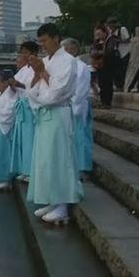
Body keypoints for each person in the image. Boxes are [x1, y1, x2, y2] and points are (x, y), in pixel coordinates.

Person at [27, 23, 84, 224]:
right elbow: (32, 92)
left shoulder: (68, 61)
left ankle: (62, 205)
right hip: (45, 115)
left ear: (56, 38)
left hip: (59, 114)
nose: (42, 45)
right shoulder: (46, 61)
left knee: (60, 158)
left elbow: (58, 93)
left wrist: (43, 72)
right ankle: (52, 198)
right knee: (45, 159)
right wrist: (36, 73)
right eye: (40, 42)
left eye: (45, 41)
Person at [61, 38, 94, 176]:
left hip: (78, 106)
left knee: (81, 136)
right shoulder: (67, 66)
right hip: (67, 106)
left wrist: (73, 106)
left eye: (65, 50)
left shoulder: (81, 67)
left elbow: (81, 91)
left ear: (73, 50)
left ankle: (83, 167)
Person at [9, 41, 38, 183]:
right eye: (22, 52)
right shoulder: (23, 70)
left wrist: (20, 85)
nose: (23, 55)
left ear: (32, 53)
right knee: (21, 140)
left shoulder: (36, 67)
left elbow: (34, 86)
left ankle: (31, 171)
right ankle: (23, 169)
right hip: (21, 107)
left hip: (30, 106)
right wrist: (13, 85)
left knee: (30, 140)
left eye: (25, 52)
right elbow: (17, 87)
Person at [91, 25, 118, 109]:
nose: (98, 36)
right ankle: (103, 102)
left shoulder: (110, 40)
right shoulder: (97, 42)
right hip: (99, 65)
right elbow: (92, 51)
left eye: (99, 34)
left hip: (109, 64)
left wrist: (99, 52)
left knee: (108, 84)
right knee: (101, 84)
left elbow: (109, 52)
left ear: (104, 32)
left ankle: (107, 102)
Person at [106, 17, 131, 91]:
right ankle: (117, 85)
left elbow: (127, 39)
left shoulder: (122, 29)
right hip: (115, 53)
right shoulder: (110, 32)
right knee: (115, 70)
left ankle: (121, 85)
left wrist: (118, 40)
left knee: (122, 70)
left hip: (124, 52)